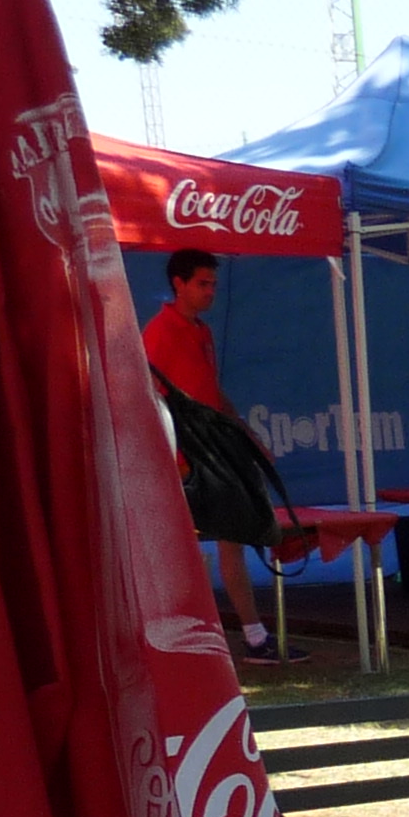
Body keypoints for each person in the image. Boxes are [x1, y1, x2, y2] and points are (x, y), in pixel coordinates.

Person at [142, 247, 272, 660]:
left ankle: (253, 637)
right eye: (203, 284)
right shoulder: (159, 334)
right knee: (179, 550)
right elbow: (145, 399)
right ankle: (190, 640)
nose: (211, 291)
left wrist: (246, 434)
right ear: (178, 284)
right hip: (182, 462)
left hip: (212, 457)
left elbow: (210, 392)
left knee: (231, 539)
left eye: (213, 284)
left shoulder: (201, 331)